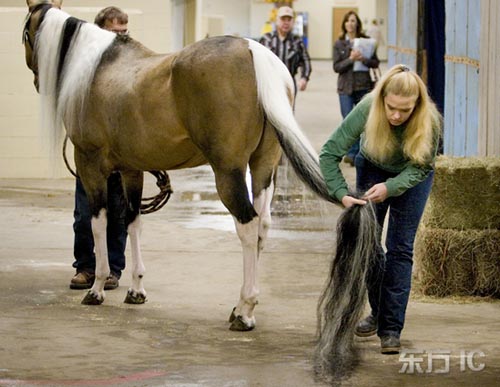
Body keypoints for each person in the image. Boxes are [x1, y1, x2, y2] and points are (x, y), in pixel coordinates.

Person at [319, 64, 442, 354]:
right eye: (391, 108)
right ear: (382, 99)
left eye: (405, 110)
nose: (397, 116)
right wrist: (341, 194)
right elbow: (329, 153)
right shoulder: (366, 107)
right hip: (372, 167)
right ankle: (378, 312)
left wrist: (392, 187)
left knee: (400, 249)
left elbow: (422, 166)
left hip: (412, 175)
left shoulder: (431, 120)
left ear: (417, 105)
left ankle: (391, 329)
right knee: (370, 246)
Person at [70, 6, 129, 290]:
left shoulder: (132, 65)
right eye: (113, 31)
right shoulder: (84, 65)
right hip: (93, 152)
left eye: (123, 32)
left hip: (121, 153)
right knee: (85, 213)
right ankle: (85, 266)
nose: (118, 37)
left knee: (118, 213)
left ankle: (114, 268)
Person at [333, 10, 379, 166]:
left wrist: (363, 59)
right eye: (347, 21)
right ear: (344, 24)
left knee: (363, 121)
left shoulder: (367, 41)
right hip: (345, 87)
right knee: (348, 120)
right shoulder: (340, 43)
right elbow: (337, 67)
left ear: (357, 24)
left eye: (353, 21)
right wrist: (351, 59)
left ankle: (357, 154)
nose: (350, 24)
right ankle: (352, 152)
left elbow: (375, 63)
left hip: (363, 85)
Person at [259, 6, 312, 97]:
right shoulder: (266, 39)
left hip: (289, 84)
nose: (286, 22)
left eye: (289, 19)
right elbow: (256, 60)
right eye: (283, 19)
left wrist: (304, 78)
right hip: (269, 84)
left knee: (287, 111)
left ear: (293, 22)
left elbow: (306, 61)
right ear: (277, 20)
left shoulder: (297, 41)